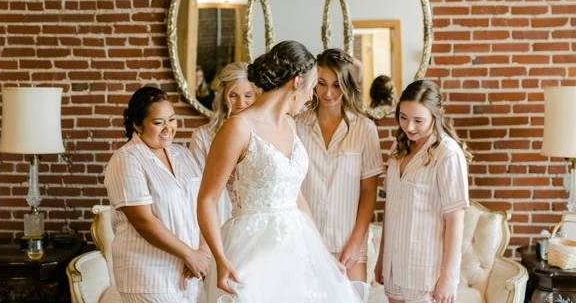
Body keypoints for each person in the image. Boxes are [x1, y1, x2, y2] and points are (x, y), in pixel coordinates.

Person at [197, 41, 365, 302]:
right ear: (297, 82)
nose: (312, 97)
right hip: (252, 248)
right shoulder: (238, 128)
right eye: (312, 88)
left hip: (298, 245)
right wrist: (219, 258)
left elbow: (296, 195)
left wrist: (322, 253)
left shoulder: (290, 124)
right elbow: (207, 199)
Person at [104, 86, 211, 303]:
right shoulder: (127, 159)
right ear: (137, 124)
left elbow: (201, 205)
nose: (168, 128)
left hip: (188, 273)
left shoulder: (182, 154)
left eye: (172, 120)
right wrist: (189, 255)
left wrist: (202, 253)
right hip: (148, 276)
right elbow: (143, 221)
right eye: (158, 122)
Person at [374, 79, 471, 303]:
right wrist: (382, 258)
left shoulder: (448, 154)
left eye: (418, 120)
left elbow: (455, 220)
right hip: (394, 268)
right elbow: (392, 210)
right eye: (403, 117)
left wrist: (448, 277)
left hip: (425, 273)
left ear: (435, 116)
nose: (409, 127)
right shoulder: (398, 149)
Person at [296, 48, 384, 282]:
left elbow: (368, 192)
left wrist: (356, 242)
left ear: (347, 85)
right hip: (304, 241)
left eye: (336, 85)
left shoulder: (365, 129)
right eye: (322, 83)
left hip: (349, 245)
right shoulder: (295, 126)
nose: (328, 93)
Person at [189, 62, 259, 224]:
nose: (241, 103)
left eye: (248, 95)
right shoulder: (203, 136)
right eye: (233, 95)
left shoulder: (263, 135)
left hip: (255, 220)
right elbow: (197, 188)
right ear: (223, 97)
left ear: (256, 95)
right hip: (218, 217)